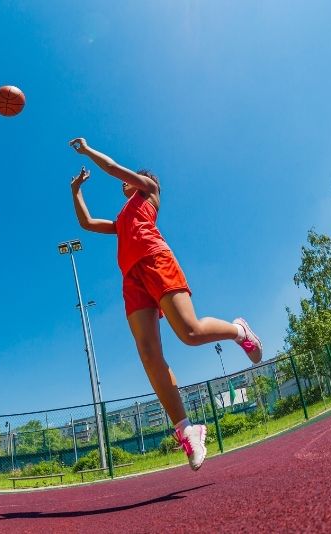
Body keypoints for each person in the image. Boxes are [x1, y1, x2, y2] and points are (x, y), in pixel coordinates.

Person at [68, 137, 263, 471]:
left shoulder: (149, 191)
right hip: (132, 277)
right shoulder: (122, 220)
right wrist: (76, 191)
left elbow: (114, 169)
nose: (124, 185)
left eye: (129, 182)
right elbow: (86, 224)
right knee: (148, 354)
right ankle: (187, 429)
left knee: (189, 332)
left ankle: (238, 330)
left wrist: (87, 151)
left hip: (155, 259)